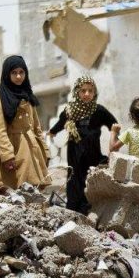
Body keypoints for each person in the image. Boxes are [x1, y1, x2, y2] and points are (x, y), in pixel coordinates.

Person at [49, 76, 117, 214]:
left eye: (90, 91)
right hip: (75, 154)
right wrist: (51, 133)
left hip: (93, 154)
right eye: (83, 90)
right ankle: (74, 211)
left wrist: (114, 141)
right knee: (74, 180)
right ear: (77, 92)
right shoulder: (70, 110)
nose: (87, 94)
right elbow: (59, 124)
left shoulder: (98, 110)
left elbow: (114, 124)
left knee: (90, 180)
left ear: (94, 92)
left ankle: (90, 211)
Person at [0, 55, 51, 191]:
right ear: (7, 74)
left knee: (33, 193)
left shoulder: (27, 96)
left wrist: (45, 151)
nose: (18, 76)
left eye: (21, 72)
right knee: (12, 193)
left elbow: (36, 127)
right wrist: (7, 156)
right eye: (14, 73)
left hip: (32, 151)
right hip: (14, 152)